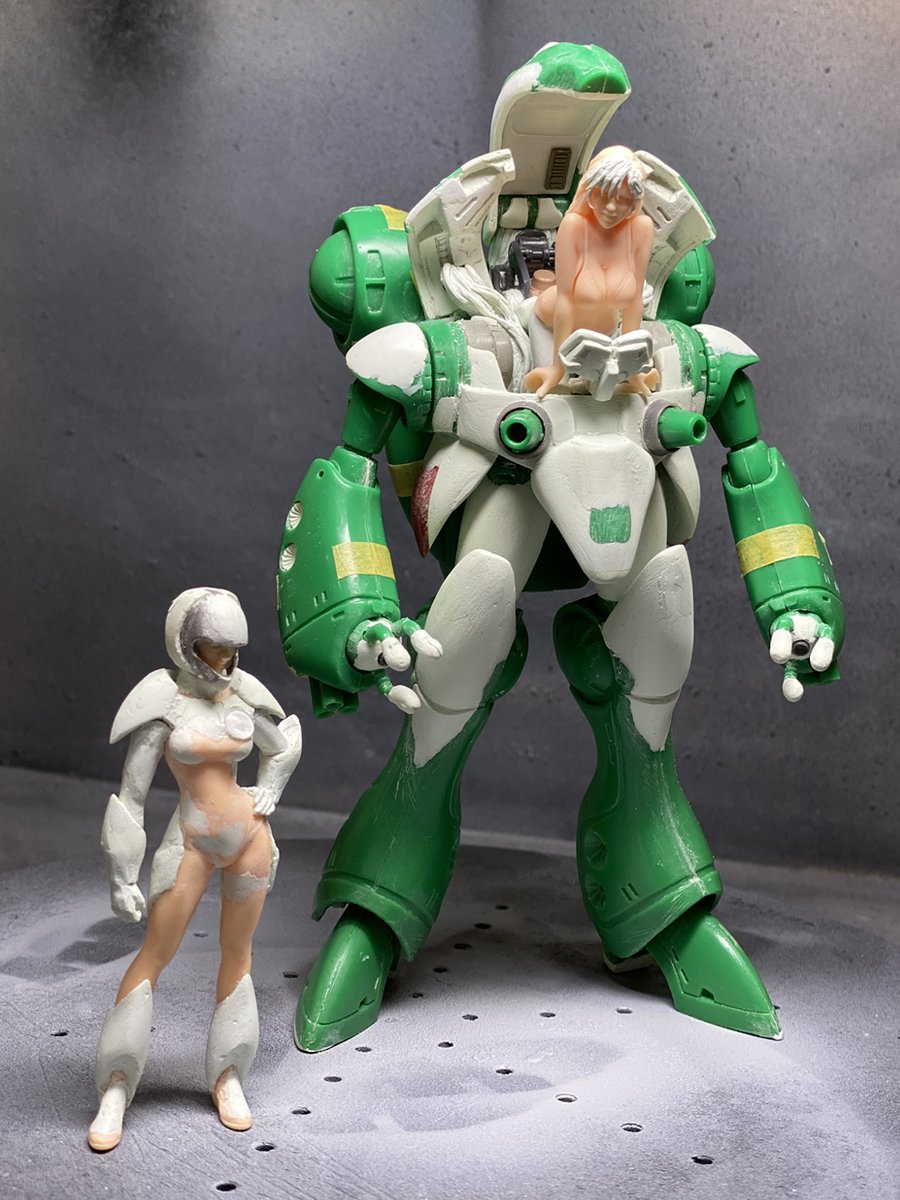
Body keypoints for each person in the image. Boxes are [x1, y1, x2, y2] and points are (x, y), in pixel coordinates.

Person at [87, 587, 302, 1151]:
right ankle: (116, 1083)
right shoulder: (164, 703)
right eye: (214, 647)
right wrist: (122, 876)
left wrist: (270, 789)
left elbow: (283, 744)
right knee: (154, 953)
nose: (226, 659)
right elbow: (131, 797)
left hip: (250, 838)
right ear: (187, 644)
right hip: (190, 840)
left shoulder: (242, 693)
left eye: (233, 649)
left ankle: (228, 1076)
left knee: (239, 955)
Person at [524, 146, 658, 398]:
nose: (611, 207)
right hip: (551, 325)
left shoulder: (641, 230)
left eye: (622, 199)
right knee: (556, 396)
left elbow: (634, 302)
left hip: (604, 336)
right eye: (602, 195)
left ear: (635, 201)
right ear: (589, 191)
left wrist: (631, 367)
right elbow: (565, 299)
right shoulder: (574, 226)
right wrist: (557, 368)